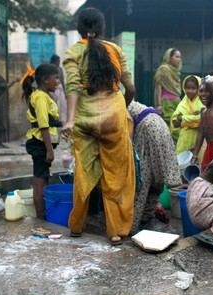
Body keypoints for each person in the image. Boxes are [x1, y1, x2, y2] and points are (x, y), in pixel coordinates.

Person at [62, 7, 136, 246]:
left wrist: (70, 121)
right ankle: (115, 231)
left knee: (83, 173)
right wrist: (120, 108)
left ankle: (76, 226)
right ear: (102, 28)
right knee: (116, 175)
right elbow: (130, 88)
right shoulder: (114, 50)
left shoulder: (73, 52)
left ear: (78, 29)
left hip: (84, 119)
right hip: (114, 115)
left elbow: (72, 87)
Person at [128, 100, 181, 234]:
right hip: (159, 125)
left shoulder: (120, 104)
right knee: (155, 176)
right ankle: (146, 215)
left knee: (142, 176)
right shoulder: (133, 103)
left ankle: (131, 226)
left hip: (147, 127)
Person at [21, 63, 62, 219]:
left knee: (43, 179)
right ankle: (40, 220)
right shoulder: (39, 97)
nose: (58, 81)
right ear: (45, 80)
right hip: (40, 143)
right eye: (56, 77)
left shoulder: (43, 96)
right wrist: (49, 150)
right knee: (39, 182)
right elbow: (43, 124)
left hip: (42, 143)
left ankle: (42, 216)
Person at [154, 48, 182, 141]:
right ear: (169, 57)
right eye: (176, 57)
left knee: (179, 125)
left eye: (180, 57)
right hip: (167, 102)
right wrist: (158, 104)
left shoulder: (176, 71)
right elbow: (159, 87)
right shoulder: (163, 69)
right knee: (172, 127)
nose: (179, 59)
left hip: (177, 102)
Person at [171, 75, 203, 154]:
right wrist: (193, 118)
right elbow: (175, 123)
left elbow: (202, 119)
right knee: (182, 163)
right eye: (187, 88)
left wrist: (183, 118)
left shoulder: (202, 102)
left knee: (198, 164)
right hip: (183, 140)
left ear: (198, 88)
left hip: (198, 139)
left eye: (193, 88)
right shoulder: (183, 103)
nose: (190, 91)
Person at [49, 54, 67, 126]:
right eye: (58, 61)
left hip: (60, 89)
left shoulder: (60, 69)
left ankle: (62, 122)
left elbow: (62, 81)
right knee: (55, 106)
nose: (59, 63)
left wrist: (64, 92)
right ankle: (55, 121)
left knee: (62, 106)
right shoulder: (50, 69)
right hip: (53, 90)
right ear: (54, 61)